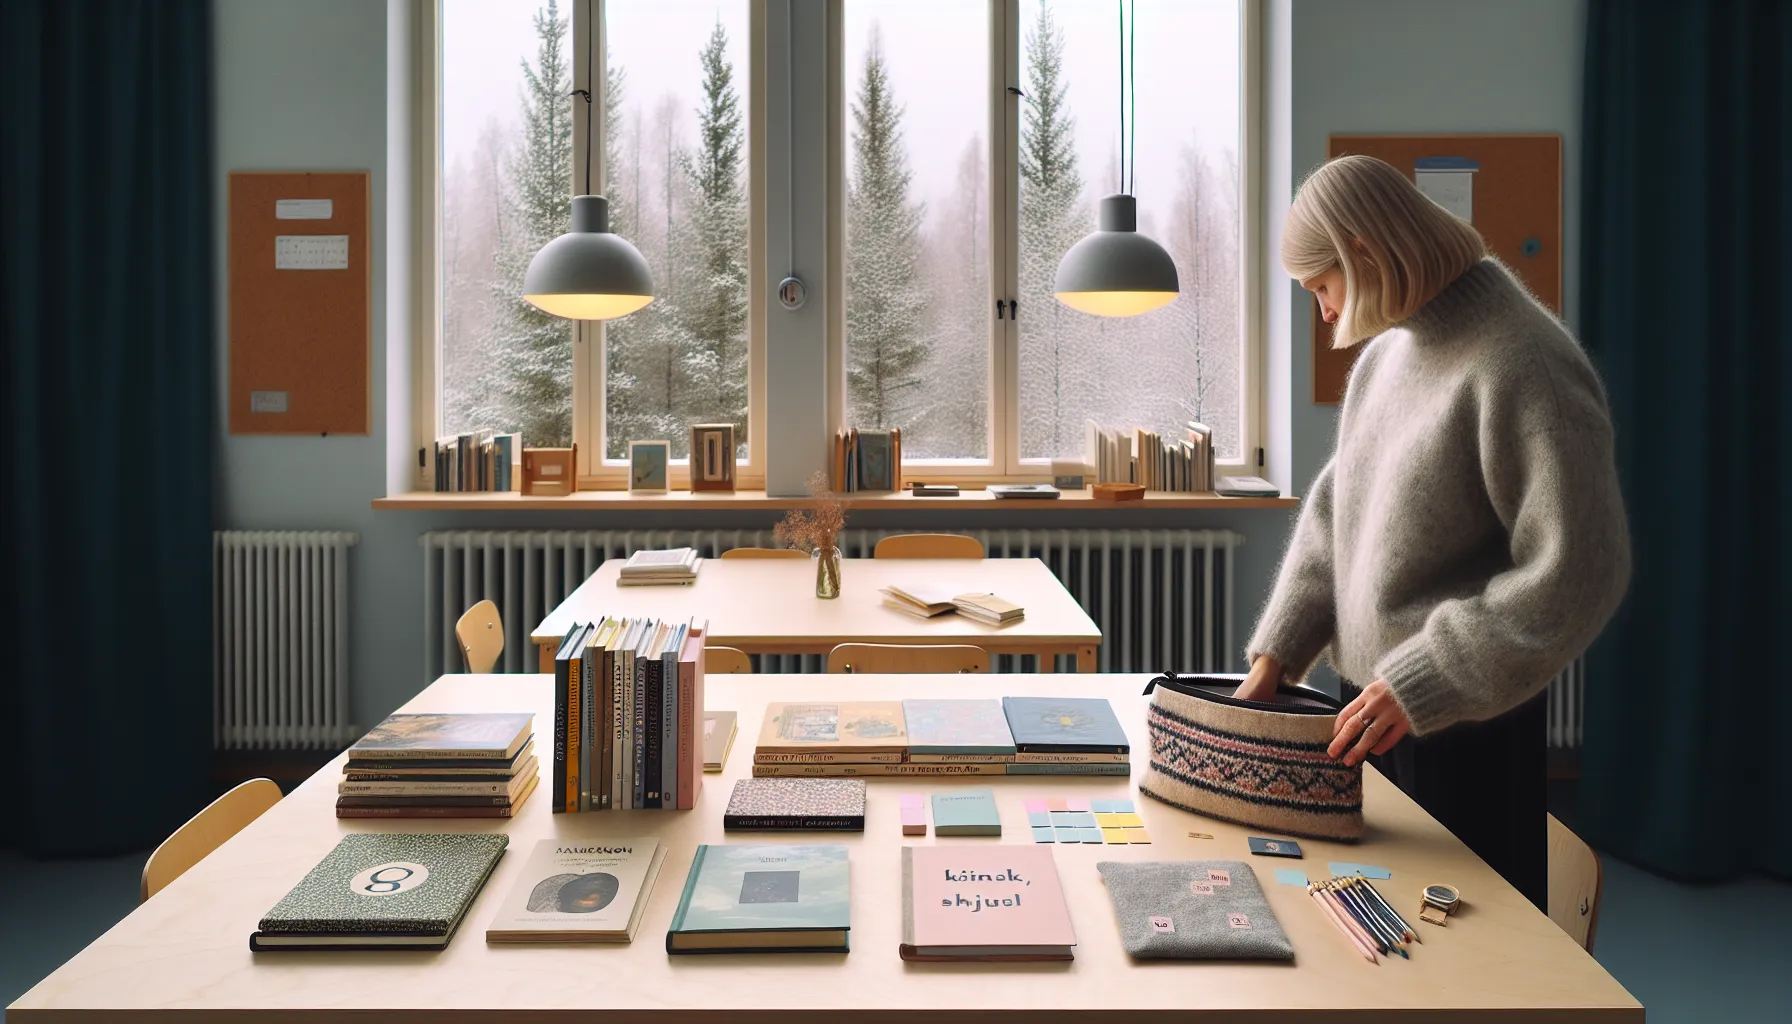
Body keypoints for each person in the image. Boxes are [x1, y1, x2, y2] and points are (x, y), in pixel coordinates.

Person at [1234, 155, 1630, 910]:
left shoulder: (1525, 361)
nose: (1322, 313)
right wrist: (1279, 655)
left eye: (1323, 288)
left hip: (1462, 727)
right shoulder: (1389, 354)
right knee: (1375, 949)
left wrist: (1428, 678)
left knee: (1463, 973)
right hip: (1370, 712)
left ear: (1367, 257)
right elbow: (1335, 513)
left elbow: (1582, 570)